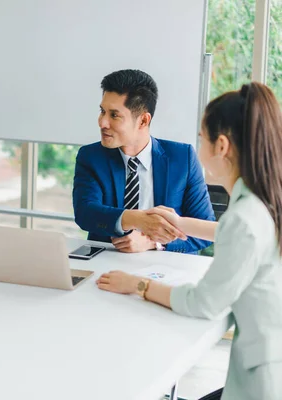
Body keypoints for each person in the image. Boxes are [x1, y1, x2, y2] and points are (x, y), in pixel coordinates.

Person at [97, 82, 282, 400]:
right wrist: (180, 222)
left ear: (221, 146)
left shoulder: (245, 218)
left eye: (202, 139)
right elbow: (233, 232)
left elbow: (204, 303)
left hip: (262, 385)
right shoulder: (263, 198)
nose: (198, 148)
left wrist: (137, 285)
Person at [73, 69, 215, 253]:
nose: (102, 122)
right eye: (102, 111)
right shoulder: (91, 156)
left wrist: (154, 243)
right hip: (108, 263)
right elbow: (86, 213)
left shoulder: (182, 158)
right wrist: (136, 219)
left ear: (143, 121)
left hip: (167, 269)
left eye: (114, 115)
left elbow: (205, 229)